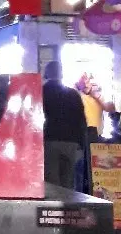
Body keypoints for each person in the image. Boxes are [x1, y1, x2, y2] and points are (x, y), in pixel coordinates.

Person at [42, 61, 87, 190]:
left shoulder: (41, 92)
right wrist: (81, 144)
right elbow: (81, 120)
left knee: (52, 183)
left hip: (50, 140)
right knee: (68, 183)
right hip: (71, 143)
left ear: (46, 73)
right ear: (61, 73)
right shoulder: (73, 94)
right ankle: (68, 203)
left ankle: (55, 204)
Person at [76, 74, 115, 145]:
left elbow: (111, 108)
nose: (86, 85)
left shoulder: (100, 97)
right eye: (84, 83)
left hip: (97, 134)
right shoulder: (78, 96)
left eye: (88, 82)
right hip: (83, 132)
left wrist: (97, 97)